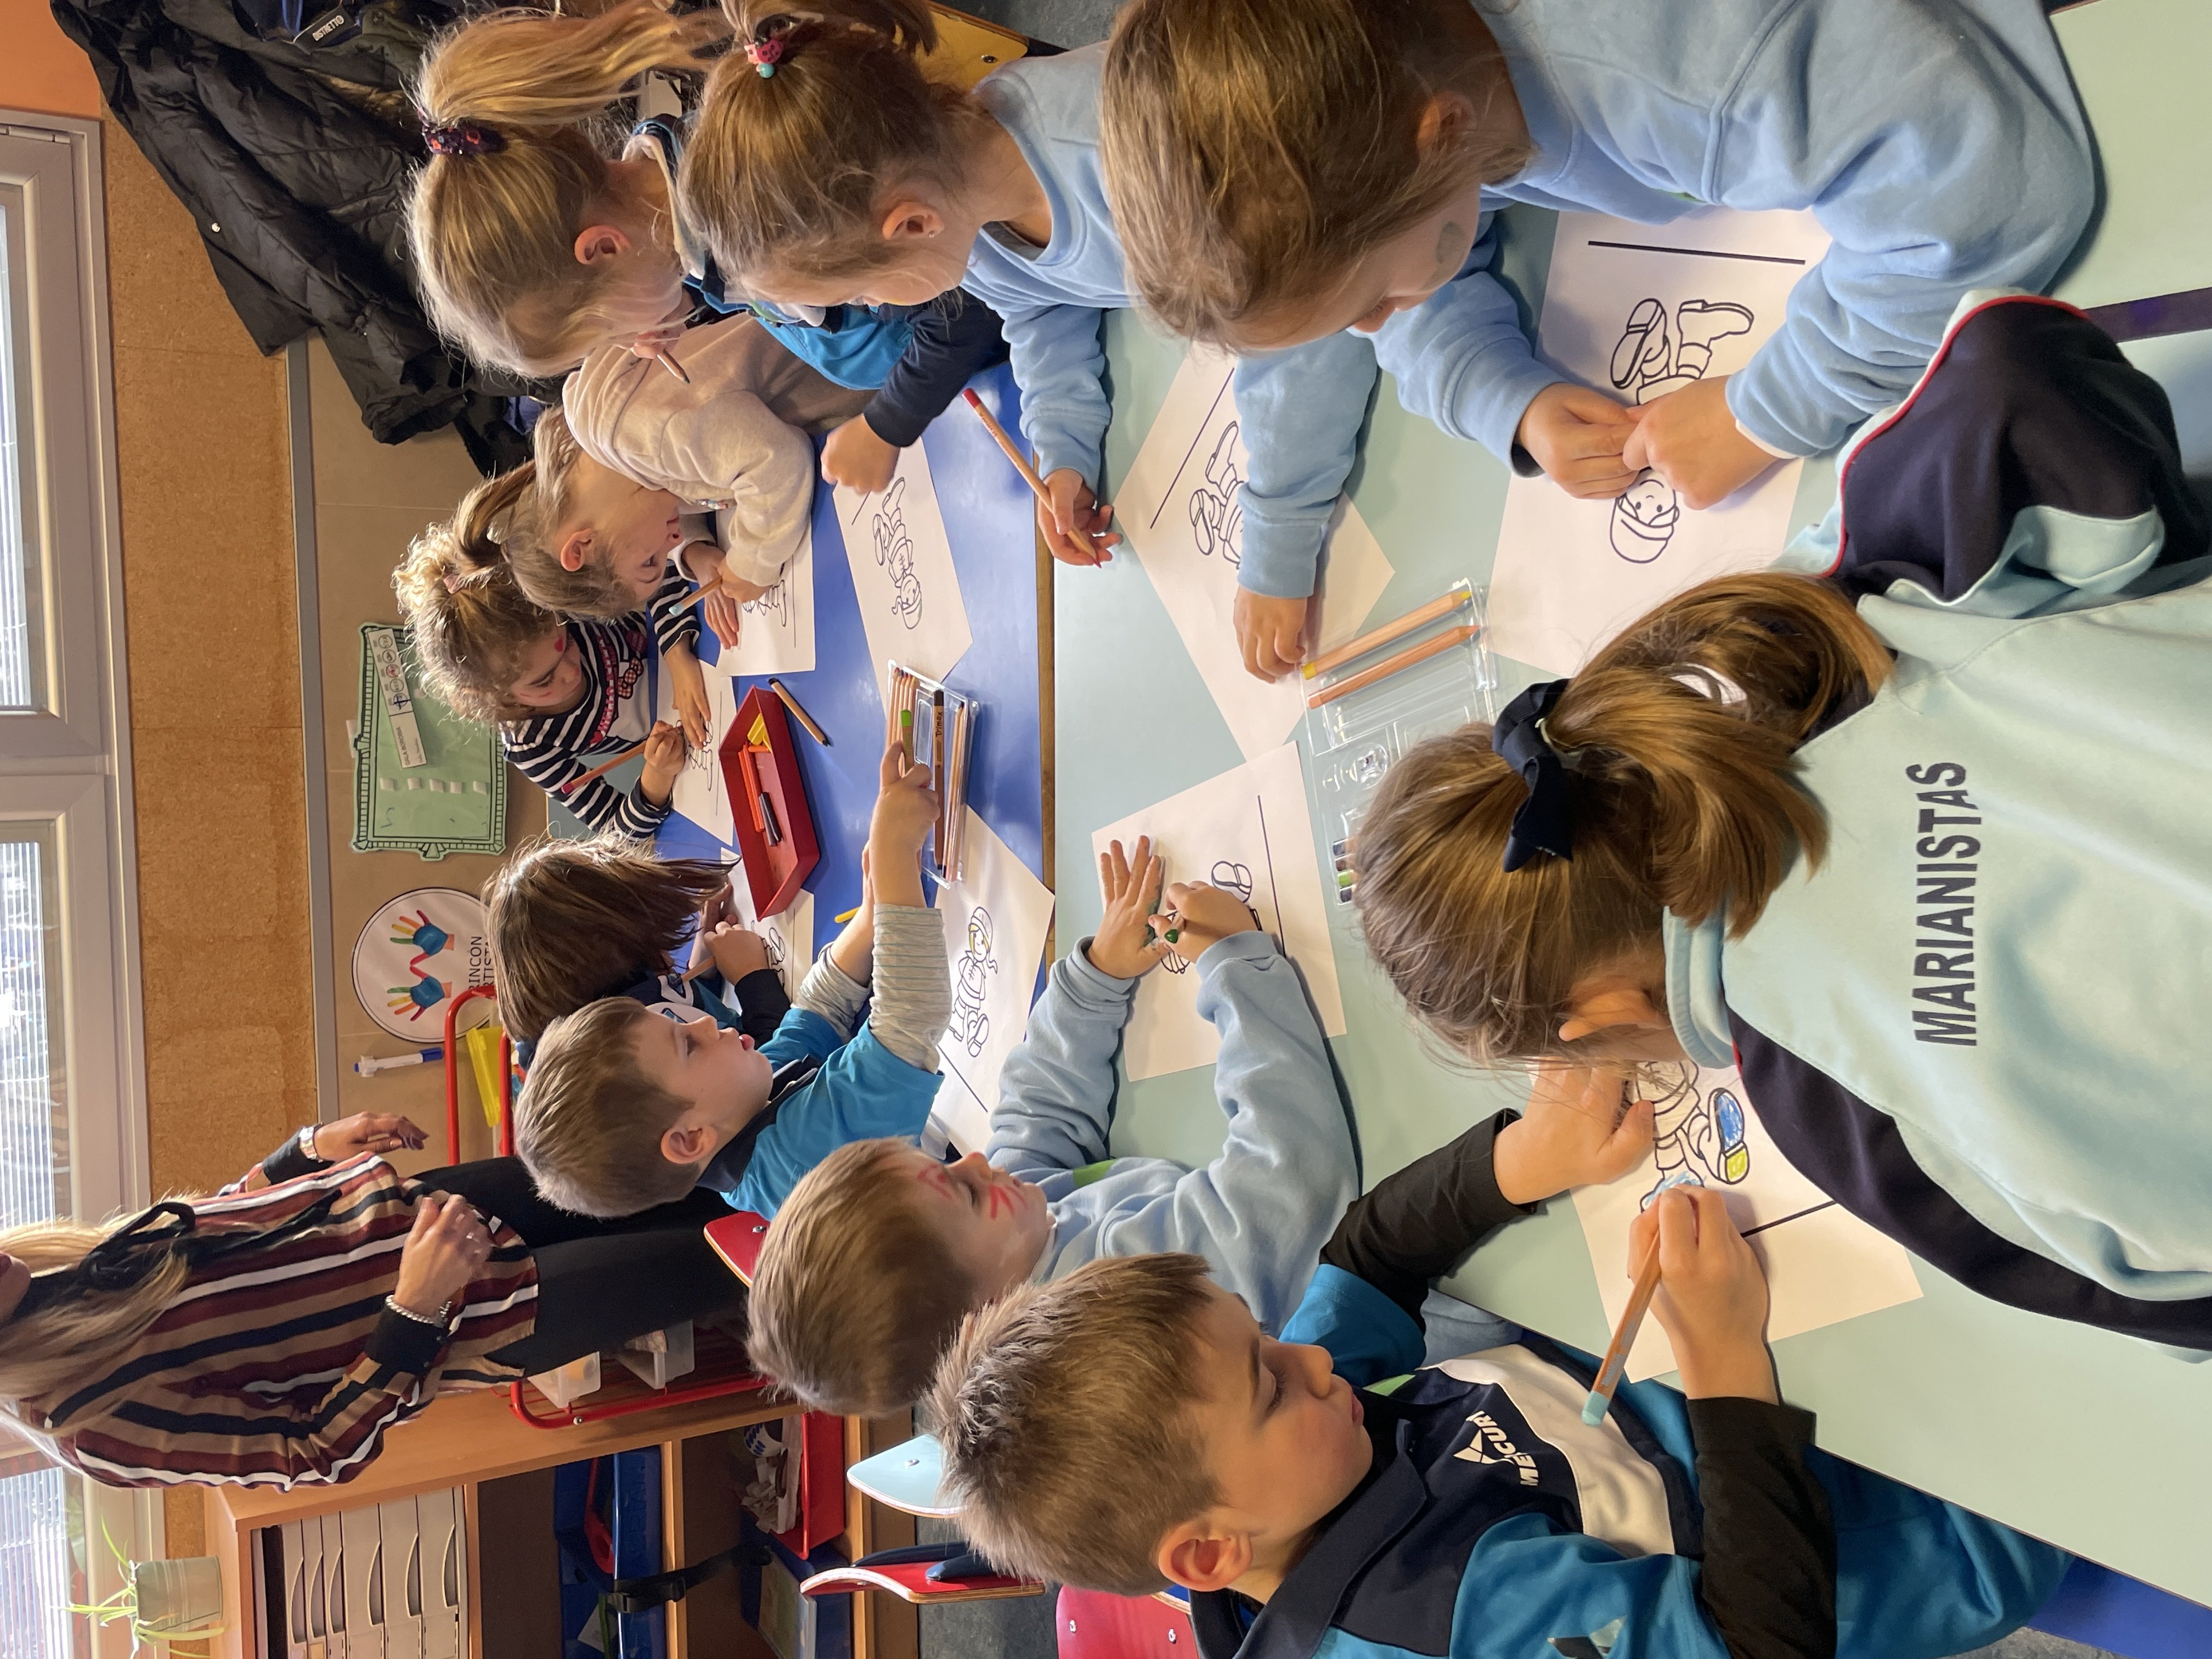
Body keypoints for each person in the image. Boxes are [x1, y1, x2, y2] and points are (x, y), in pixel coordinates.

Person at [1348, 292, 2212, 1346]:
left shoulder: (1834, 1117)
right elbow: (2009, 361)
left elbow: (2152, 1295)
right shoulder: (1822, 646)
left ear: (1597, 1017)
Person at [1091, 0, 2092, 677]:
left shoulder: (1679, 64)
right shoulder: (1405, 78)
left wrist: (1763, 412)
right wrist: (1506, 397)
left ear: (1443, 134)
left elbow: (1988, 194)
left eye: (1370, 302)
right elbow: (1423, 267)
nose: (1370, 333)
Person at [927, 1147, 2069, 1657]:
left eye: (1264, 1338)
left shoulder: (1286, 1462)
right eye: (1269, 1381)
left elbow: (1369, 1253)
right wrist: (1723, 1359)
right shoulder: (1441, 1619)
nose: (1312, 1361)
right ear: (1211, 1553)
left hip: (1765, 1386)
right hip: (1930, 1512)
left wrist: (1525, 1153)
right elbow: (1760, 1642)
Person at [749, 838, 1656, 1415]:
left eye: (948, 1165)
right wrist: (1232, 963)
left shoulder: (1010, 1240)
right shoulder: (1117, 1301)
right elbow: (1286, 1175)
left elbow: (1035, 1119)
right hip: (1480, 1290)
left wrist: (1095, 977)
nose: (978, 1158)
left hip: (1405, 1233)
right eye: (965, 1191)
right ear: (983, 1317)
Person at [669, 0, 1393, 681]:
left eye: (860, 294)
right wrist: (1066, 453)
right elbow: (1038, 308)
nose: (873, 308)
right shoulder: (967, 193)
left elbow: (1302, 307)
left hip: (1388, 225)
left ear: (912, 225)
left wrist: (1279, 537)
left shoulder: (1126, 153)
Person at [404, 0, 1006, 494]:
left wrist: (888, 424)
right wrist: (671, 304)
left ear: (605, 249)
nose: (631, 343)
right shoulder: (678, 220)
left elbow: (970, 294)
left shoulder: (762, 213)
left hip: (1009, 326)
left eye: (608, 330)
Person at [1, 1114, 744, 1489]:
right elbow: (313, 1453)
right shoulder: (90, 1429)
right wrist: (416, 1306)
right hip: (492, 1311)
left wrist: (310, 1149)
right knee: (733, 1254)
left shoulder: (49, 1267)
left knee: (698, 1164)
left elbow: (220, 1235)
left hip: (435, 1209)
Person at [515, 741, 949, 1221]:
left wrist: (870, 918)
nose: (704, 1024)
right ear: (690, 1139)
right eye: (688, 1045)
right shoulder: (795, 1158)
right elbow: (909, 1024)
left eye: (680, 1025)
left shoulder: (739, 1105)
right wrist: (893, 857)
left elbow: (815, 1017)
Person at [394, 490, 690, 840]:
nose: (570, 671)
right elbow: (616, 835)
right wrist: (657, 777)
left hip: (699, 644)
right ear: (496, 695)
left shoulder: (560, 604)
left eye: (567, 644)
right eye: (544, 681)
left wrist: (679, 655)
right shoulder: (531, 745)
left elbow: (658, 553)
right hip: (692, 738)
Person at [484, 834, 790, 1059]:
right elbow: (771, 1075)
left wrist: (704, 964)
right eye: (656, 936)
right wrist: (752, 978)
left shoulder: (603, 1000)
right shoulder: (636, 1048)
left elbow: (683, 1008)